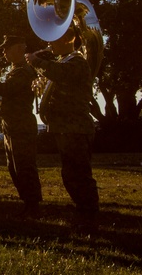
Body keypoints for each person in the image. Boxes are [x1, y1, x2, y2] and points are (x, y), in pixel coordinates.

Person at [28, 24, 99, 232]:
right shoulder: (64, 61)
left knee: (80, 175)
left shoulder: (77, 61)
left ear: (68, 39)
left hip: (75, 128)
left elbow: (60, 73)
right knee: (70, 174)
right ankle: (83, 212)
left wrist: (37, 62)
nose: (49, 43)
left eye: (54, 39)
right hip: (64, 128)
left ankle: (89, 215)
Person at [0, 36, 42, 218]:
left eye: (7, 48)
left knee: (24, 166)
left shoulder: (23, 71)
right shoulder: (15, 70)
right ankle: (27, 203)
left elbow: (6, 90)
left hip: (21, 123)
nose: (3, 52)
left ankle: (33, 205)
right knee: (14, 167)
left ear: (19, 48)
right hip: (11, 123)